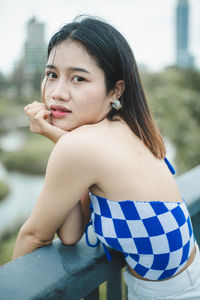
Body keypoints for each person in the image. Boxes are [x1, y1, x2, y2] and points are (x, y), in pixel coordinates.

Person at [12, 16, 200, 299]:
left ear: (115, 90)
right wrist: (58, 138)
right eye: (52, 74)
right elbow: (72, 233)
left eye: (78, 78)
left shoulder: (82, 147)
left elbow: (34, 236)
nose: (57, 93)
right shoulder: (127, 128)